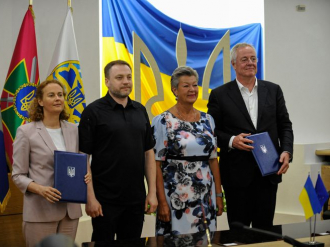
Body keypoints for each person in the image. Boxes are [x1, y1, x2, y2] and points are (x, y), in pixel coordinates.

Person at [207, 43, 294, 228]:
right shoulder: (219, 95)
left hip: (269, 172)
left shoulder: (273, 90)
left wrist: (287, 150)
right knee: (239, 231)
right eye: (244, 59)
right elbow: (211, 132)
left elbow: (285, 125)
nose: (250, 63)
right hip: (237, 176)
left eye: (253, 59)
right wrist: (231, 140)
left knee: (265, 231)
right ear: (234, 64)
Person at [78, 60, 158, 241]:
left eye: (129, 77)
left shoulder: (140, 110)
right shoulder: (93, 112)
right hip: (104, 200)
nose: (126, 82)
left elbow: (149, 153)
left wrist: (151, 193)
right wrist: (90, 198)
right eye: (119, 77)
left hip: (135, 199)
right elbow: (83, 158)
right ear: (107, 81)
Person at [12, 79, 90, 247]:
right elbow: (18, 175)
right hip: (40, 211)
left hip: (70, 212)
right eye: (52, 95)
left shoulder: (74, 129)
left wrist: (86, 174)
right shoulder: (26, 132)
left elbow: (80, 163)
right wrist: (40, 189)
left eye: (60, 95)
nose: (58, 98)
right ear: (40, 101)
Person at [151, 66, 223, 236]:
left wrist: (218, 195)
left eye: (195, 85)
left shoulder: (208, 119)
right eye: (186, 86)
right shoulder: (162, 121)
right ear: (174, 90)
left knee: (205, 241)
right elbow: (156, 165)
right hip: (176, 197)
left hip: (206, 196)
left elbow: (213, 160)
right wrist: (161, 201)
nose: (192, 90)